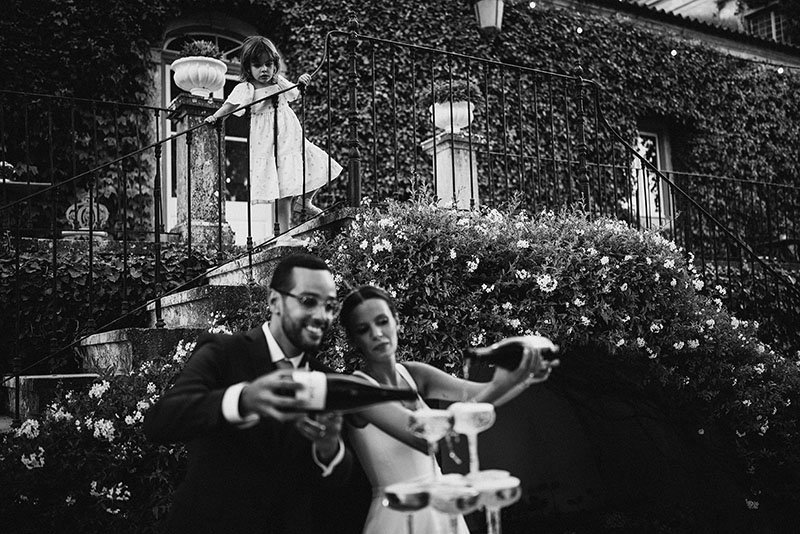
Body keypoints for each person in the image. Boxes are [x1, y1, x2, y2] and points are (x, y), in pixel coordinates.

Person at [143, 253, 352, 534]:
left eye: (330, 306)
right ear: (274, 301)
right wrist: (242, 400)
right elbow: (160, 421)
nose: (321, 316)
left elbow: (340, 490)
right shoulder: (224, 352)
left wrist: (330, 450)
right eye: (308, 301)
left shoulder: (326, 380)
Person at [339, 285, 558, 534]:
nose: (377, 334)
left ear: (396, 322)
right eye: (363, 329)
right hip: (397, 513)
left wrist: (523, 377)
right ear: (353, 339)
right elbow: (422, 438)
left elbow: (481, 395)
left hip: (441, 507)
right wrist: (503, 384)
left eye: (382, 321)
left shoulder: (413, 373)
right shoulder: (358, 390)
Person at [204, 35, 343, 233]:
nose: (264, 70)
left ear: (275, 65)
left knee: (320, 161)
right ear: (248, 67)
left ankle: (304, 201)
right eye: (257, 65)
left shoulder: (278, 82)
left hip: (291, 136)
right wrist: (215, 117)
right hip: (268, 141)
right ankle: (284, 233)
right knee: (284, 186)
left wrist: (300, 81)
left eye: (268, 64)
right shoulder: (246, 88)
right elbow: (229, 106)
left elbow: (294, 94)